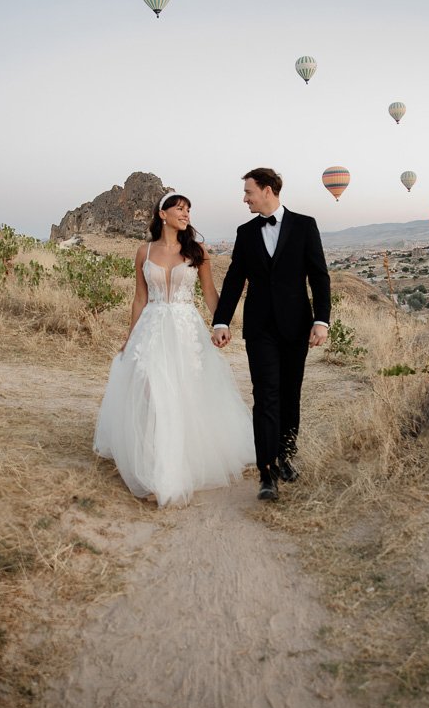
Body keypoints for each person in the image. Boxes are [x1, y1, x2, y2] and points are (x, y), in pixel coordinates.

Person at [93, 193, 255, 506]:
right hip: (151, 330)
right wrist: (130, 337)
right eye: (180, 209)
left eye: (189, 210)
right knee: (152, 394)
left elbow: (209, 292)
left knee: (184, 394)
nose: (186, 214)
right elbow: (140, 299)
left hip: (185, 331)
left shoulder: (197, 251)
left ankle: (178, 466)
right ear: (162, 214)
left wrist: (221, 324)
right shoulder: (144, 251)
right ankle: (157, 470)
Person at [212, 168, 331, 501]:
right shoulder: (245, 232)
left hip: (297, 326)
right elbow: (235, 279)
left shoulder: (305, 225)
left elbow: (319, 277)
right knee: (265, 395)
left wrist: (321, 320)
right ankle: (267, 472)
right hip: (260, 327)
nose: (245, 198)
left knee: (290, 394)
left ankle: (286, 456)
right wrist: (221, 321)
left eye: (248, 191)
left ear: (267, 190)